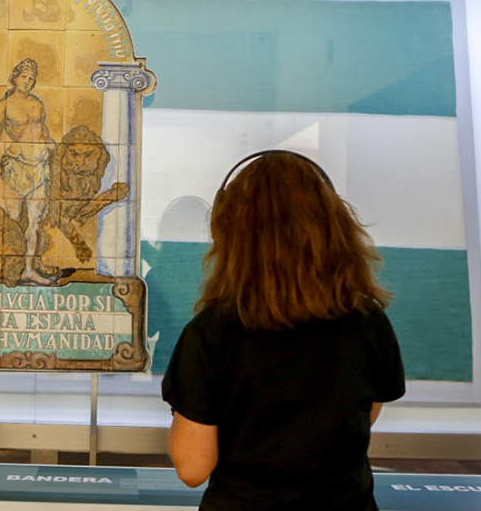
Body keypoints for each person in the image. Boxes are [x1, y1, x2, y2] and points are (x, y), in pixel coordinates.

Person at [162, 151, 405, 510]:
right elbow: (364, 415)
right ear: (334, 225)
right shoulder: (369, 320)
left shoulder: (212, 332)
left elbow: (193, 467)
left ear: (228, 231)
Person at [0, 58, 57, 285]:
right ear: (14, 78)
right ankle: (8, 268)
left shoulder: (37, 104)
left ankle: (29, 270)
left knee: (34, 223)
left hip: (40, 166)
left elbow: (45, 136)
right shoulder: (3, 106)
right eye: (24, 77)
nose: (27, 81)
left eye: (31, 78)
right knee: (14, 221)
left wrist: (63, 153)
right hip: (16, 166)